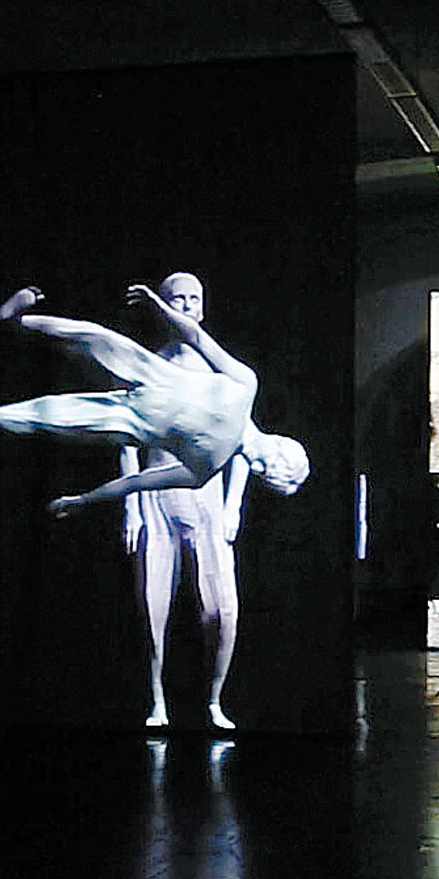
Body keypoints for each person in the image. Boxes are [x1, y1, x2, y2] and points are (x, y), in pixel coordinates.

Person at [0, 283, 309, 514]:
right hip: (149, 372)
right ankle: (15, 323)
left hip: (128, 421)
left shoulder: (205, 469)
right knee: (90, 337)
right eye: (267, 463)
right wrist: (160, 307)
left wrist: (83, 500)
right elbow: (196, 336)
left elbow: (136, 483)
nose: (257, 466)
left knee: (48, 415)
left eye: (262, 474)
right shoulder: (245, 385)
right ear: (280, 442)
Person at [117, 273, 249, 731]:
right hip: (157, 497)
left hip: (206, 501)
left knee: (223, 610)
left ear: (203, 307)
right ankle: (157, 700)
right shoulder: (148, 366)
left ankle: (214, 700)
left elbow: (244, 444)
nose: (187, 305)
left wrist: (233, 504)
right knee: (152, 605)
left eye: (194, 298)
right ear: (163, 305)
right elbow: (127, 439)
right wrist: (132, 506)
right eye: (178, 298)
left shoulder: (220, 370)